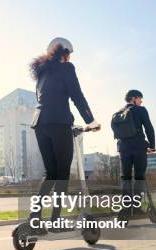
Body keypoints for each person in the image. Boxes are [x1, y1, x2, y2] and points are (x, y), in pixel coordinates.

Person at [29, 37, 100, 229]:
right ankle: (55, 220)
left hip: (40, 124)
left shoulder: (42, 73)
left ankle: (33, 218)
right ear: (65, 53)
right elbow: (76, 95)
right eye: (69, 54)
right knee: (62, 175)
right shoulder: (67, 68)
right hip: (59, 123)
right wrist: (91, 121)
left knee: (50, 174)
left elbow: (47, 99)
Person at [115, 89, 155, 222]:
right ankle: (137, 208)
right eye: (139, 98)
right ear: (133, 98)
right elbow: (148, 127)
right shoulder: (141, 110)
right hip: (138, 147)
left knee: (125, 178)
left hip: (123, 149)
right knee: (139, 177)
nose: (141, 101)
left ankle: (126, 208)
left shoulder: (118, 113)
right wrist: (152, 145)